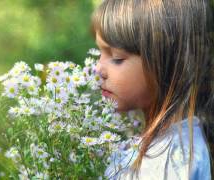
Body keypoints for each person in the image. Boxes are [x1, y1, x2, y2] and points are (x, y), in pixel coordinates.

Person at [92, 0, 214, 179]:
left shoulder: (171, 162)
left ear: (164, 64)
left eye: (117, 58)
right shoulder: (162, 146)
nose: (97, 69)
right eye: (100, 53)